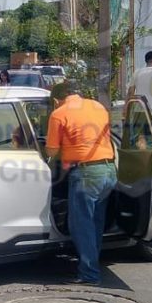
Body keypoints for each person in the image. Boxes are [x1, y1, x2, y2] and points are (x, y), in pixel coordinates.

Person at [46, 81, 116, 285]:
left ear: (57, 99)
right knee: (95, 223)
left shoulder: (59, 114)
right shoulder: (98, 107)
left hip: (86, 174)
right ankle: (91, 266)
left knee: (80, 225)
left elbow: (51, 151)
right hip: (109, 170)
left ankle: (89, 274)